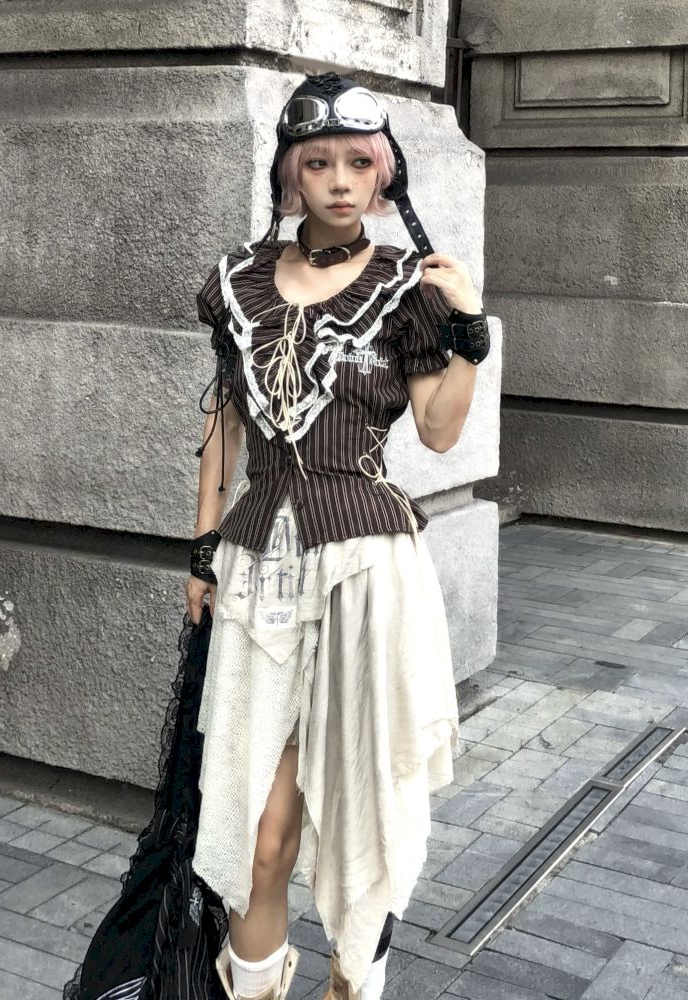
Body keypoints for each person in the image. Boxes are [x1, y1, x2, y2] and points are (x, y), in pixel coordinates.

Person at [187, 71, 490, 1000]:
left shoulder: (409, 288)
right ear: (290, 173)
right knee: (258, 831)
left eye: (359, 163)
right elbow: (224, 426)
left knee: (365, 807)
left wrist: (470, 331)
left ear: (384, 172)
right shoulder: (237, 282)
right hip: (260, 566)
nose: (341, 181)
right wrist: (201, 551)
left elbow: (438, 431)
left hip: (368, 567)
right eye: (318, 163)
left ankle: (355, 980)